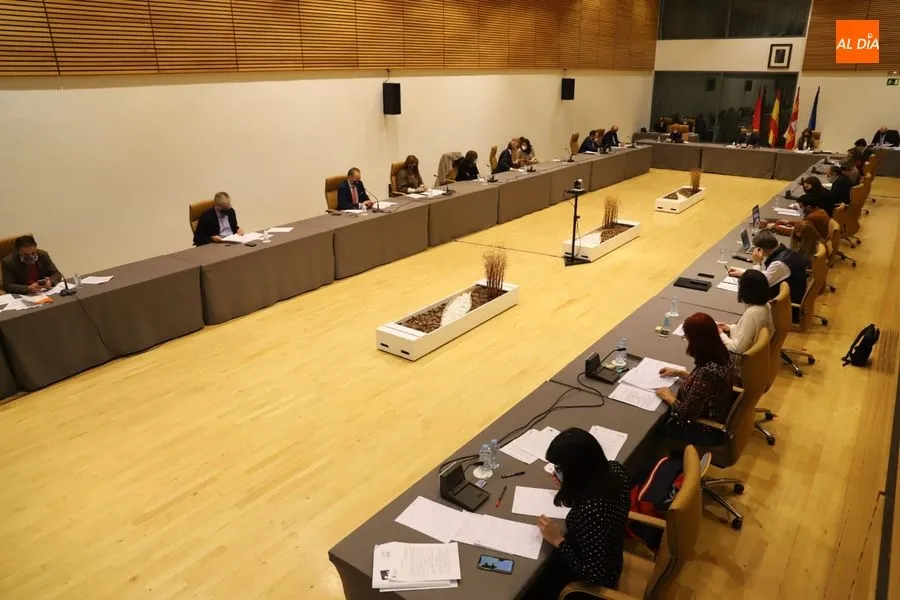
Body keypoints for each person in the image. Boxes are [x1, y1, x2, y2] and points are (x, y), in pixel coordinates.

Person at [525, 428, 631, 598]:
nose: (554, 472)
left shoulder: (590, 512)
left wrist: (557, 539)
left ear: (576, 471)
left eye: (559, 468)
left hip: (597, 578)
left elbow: (593, 575)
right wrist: (569, 487)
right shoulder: (615, 469)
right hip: (611, 548)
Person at [656, 313, 736, 446]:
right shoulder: (723, 354)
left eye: (687, 338)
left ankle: (677, 455)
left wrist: (668, 396)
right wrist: (679, 373)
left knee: (660, 427)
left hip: (706, 429)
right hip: (720, 412)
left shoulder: (706, 372)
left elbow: (686, 414)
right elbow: (710, 384)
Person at [728, 230, 809, 308]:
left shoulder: (779, 264)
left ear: (760, 249)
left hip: (787, 309)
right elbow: (769, 274)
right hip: (793, 298)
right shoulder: (785, 252)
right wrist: (744, 273)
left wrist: (756, 263)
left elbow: (758, 285)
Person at [719, 270, 774, 356]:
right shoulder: (766, 305)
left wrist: (721, 335)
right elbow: (749, 334)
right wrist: (730, 328)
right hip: (761, 355)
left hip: (742, 360)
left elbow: (738, 348)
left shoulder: (752, 314)